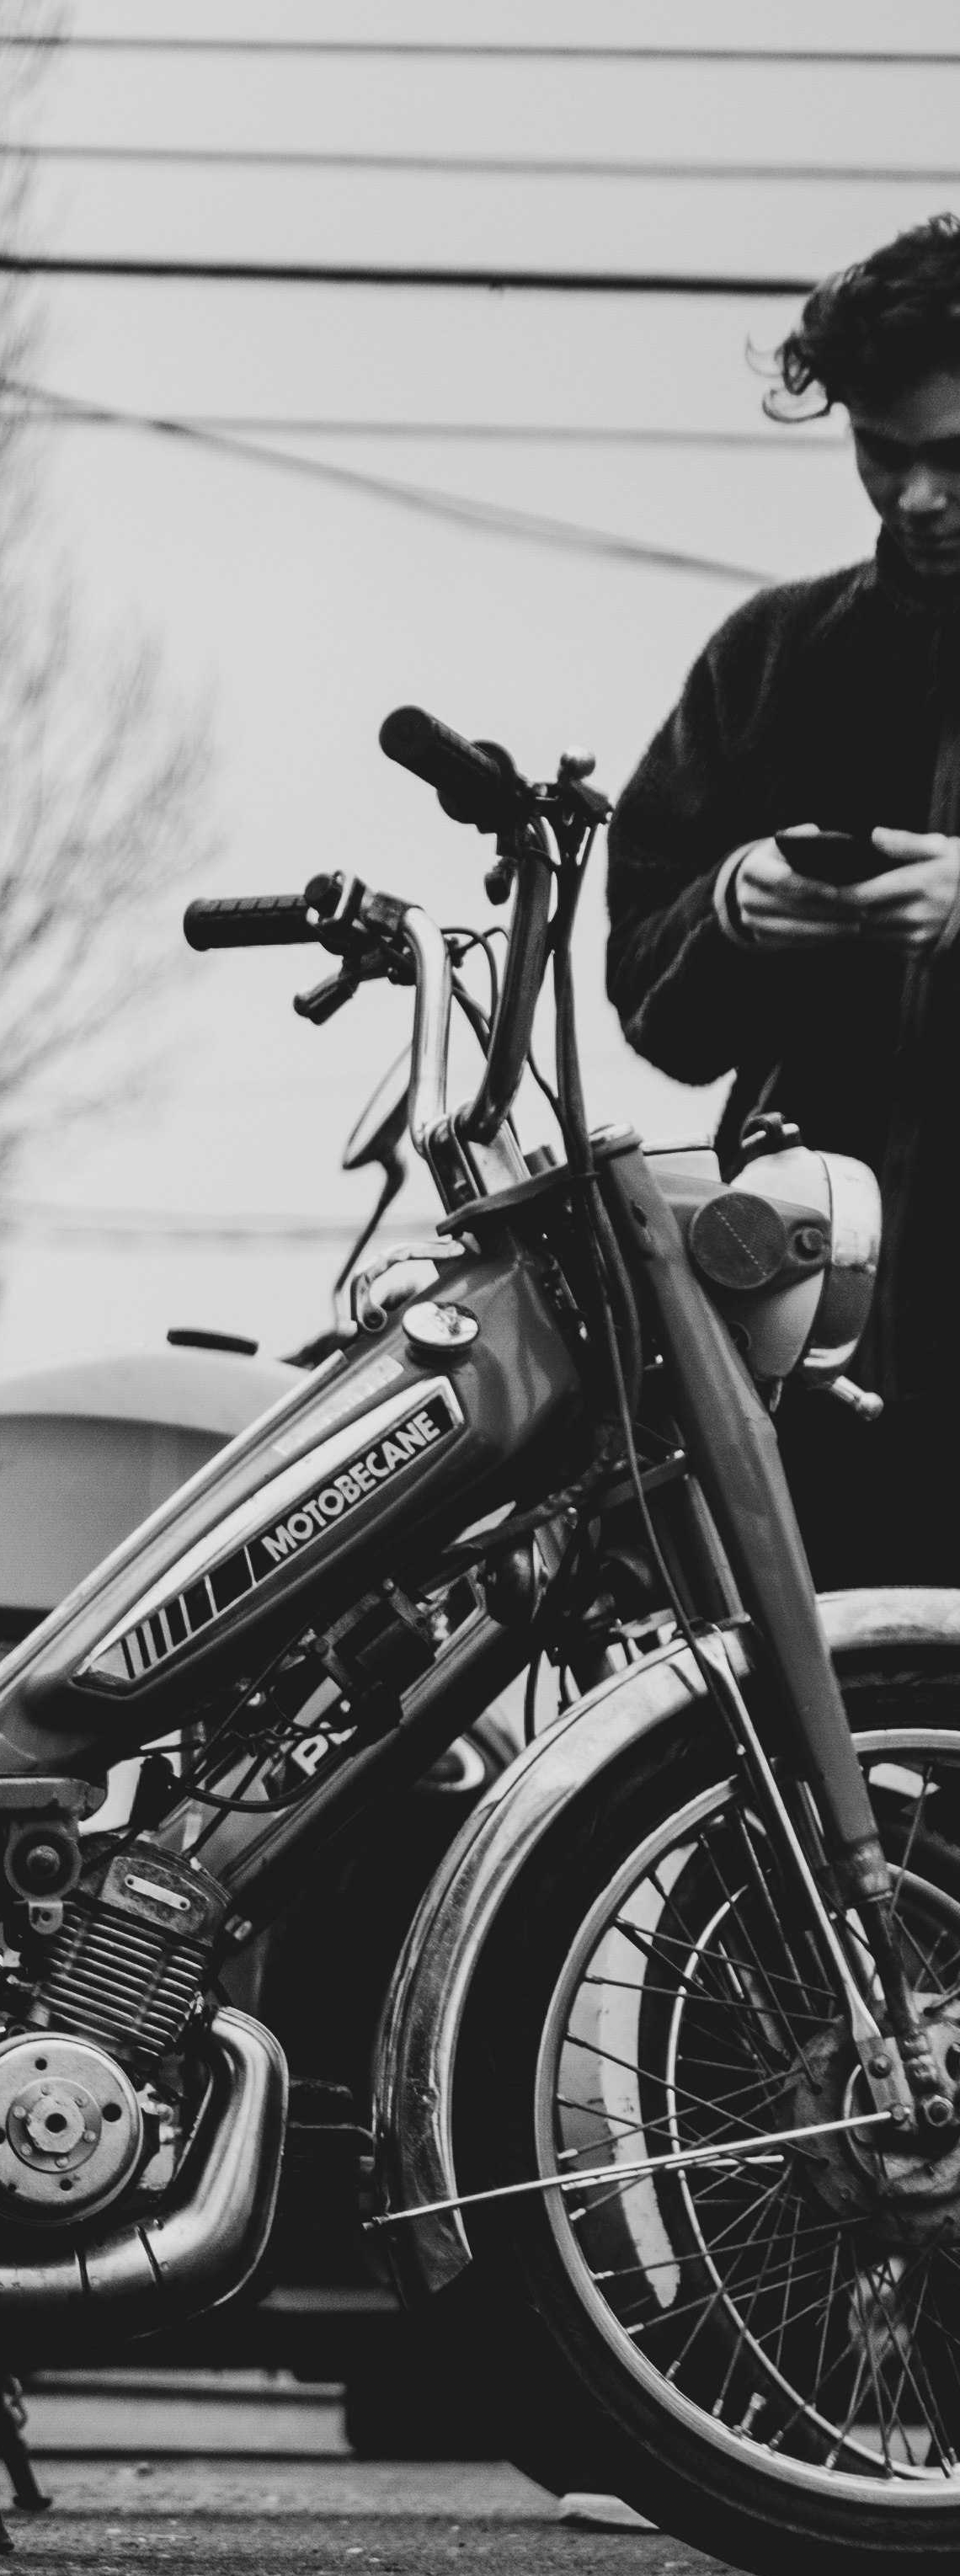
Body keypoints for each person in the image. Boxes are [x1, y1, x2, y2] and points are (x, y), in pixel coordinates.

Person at [610, 214, 960, 1587]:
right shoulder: (771, 660)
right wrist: (726, 909)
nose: (917, 497)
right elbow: (651, 992)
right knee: (810, 1777)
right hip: (803, 1370)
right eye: (884, 454)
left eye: (954, 458)